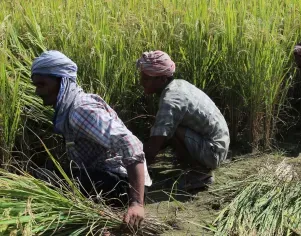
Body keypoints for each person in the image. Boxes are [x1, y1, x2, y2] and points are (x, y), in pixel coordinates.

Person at [31, 50, 151, 227]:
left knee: (47, 180)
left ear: (62, 81)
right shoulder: (70, 107)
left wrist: (136, 204)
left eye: (42, 84)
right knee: (47, 172)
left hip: (121, 185)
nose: (37, 91)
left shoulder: (80, 111)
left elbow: (130, 144)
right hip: (104, 177)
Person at [136, 50, 230, 190]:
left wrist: (134, 171)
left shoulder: (171, 100)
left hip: (213, 151)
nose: (141, 82)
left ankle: (199, 175)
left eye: (146, 79)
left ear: (162, 79)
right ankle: (193, 167)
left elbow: (155, 143)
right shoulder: (178, 85)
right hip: (217, 143)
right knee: (165, 129)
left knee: (169, 132)